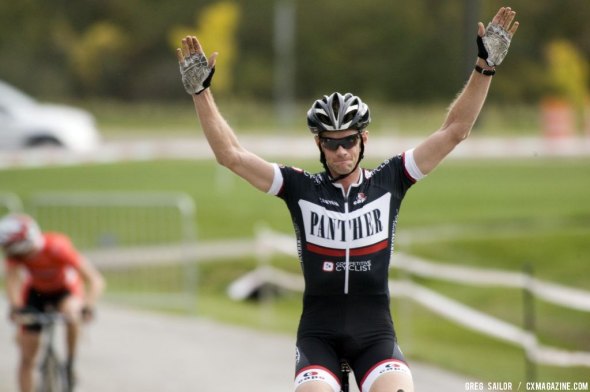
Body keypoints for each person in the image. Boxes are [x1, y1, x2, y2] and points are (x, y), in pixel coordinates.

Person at [176, 6, 518, 392]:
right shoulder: (299, 186)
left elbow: (455, 130)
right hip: (318, 337)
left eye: (349, 140)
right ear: (319, 145)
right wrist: (201, 93)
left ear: (364, 140)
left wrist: (484, 66)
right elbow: (231, 156)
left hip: (375, 336)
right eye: (332, 143)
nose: (341, 151)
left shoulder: (392, 179)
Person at [0, 213, 105, 392]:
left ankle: (71, 363)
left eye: (10, 248)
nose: (8, 253)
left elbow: (95, 279)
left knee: (72, 313)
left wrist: (88, 306)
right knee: (27, 357)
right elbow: (13, 281)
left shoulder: (57, 247)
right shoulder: (16, 256)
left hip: (64, 291)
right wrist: (16, 307)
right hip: (36, 294)